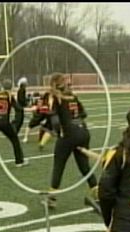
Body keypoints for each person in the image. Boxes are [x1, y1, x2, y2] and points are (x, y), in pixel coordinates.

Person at [45, 73, 97, 208]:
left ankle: (52, 198)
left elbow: (55, 120)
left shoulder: (56, 98)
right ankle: (98, 194)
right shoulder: (73, 96)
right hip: (83, 132)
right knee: (84, 167)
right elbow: (84, 114)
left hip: (69, 134)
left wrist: (58, 132)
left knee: (59, 166)